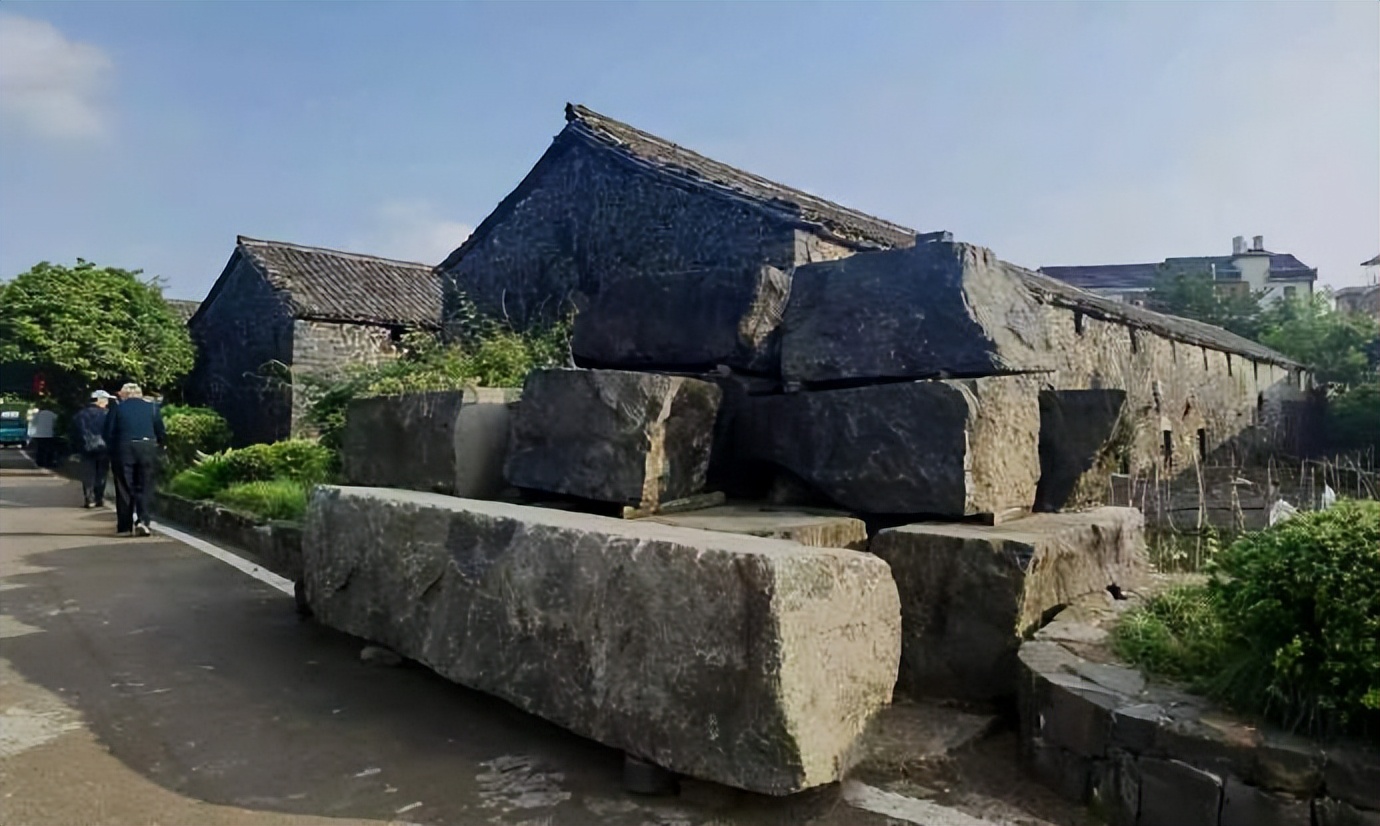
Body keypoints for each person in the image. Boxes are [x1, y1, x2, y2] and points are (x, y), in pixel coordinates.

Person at [104, 383, 166, 537]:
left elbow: (108, 432)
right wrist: (160, 445)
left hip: (124, 448)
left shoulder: (117, 408)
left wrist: (112, 449)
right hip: (147, 447)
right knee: (145, 485)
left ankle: (125, 526)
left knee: (124, 486)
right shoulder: (152, 407)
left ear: (124, 394)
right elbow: (160, 430)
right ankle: (143, 521)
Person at [70, 390, 113, 508]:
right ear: (100, 400)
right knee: (102, 473)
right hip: (103, 447)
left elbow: (74, 432)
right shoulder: (107, 414)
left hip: (86, 448)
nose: (107, 403)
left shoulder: (80, 414)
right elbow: (111, 431)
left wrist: (76, 448)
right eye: (106, 400)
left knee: (88, 473)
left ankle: (89, 498)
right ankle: (99, 498)